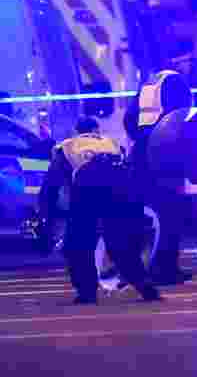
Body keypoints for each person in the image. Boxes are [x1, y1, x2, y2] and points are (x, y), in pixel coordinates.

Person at [46, 117, 161, 304]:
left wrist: (48, 216)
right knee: (120, 242)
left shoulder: (67, 146)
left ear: (76, 131)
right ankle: (145, 285)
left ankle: (87, 292)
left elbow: (51, 186)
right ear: (96, 130)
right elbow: (130, 171)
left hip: (87, 187)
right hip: (119, 188)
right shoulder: (111, 143)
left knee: (79, 243)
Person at [127, 69, 193, 286]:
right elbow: (182, 117)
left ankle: (143, 267)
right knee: (171, 213)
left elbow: (129, 120)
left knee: (146, 214)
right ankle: (166, 269)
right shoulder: (176, 82)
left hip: (141, 153)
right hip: (165, 149)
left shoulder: (147, 85)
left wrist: (140, 138)